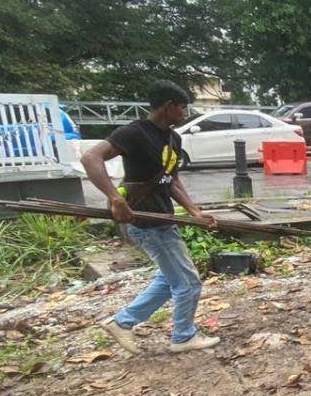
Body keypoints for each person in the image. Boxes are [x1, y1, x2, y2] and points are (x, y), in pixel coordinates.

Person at [82, 80, 220, 354]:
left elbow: (171, 181)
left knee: (169, 280)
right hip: (145, 223)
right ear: (168, 107)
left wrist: (194, 211)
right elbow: (90, 158)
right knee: (187, 282)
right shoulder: (134, 133)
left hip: (164, 219)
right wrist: (115, 198)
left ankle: (122, 323)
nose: (184, 113)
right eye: (181, 108)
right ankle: (183, 336)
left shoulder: (173, 137)